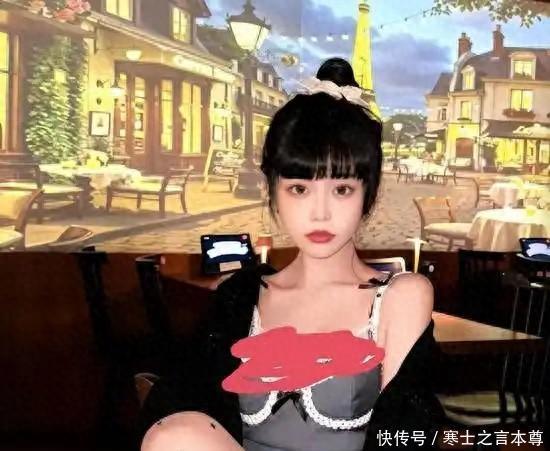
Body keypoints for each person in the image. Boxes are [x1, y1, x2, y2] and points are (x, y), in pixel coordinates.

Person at [139, 57, 445, 450]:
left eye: (342, 190)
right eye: (299, 189)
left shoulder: (400, 297)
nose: (320, 213)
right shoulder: (240, 297)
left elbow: (407, 433)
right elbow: (176, 400)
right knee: (175, 435)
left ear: (367, 194)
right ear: (274, 193)